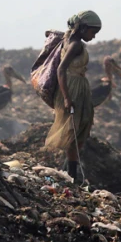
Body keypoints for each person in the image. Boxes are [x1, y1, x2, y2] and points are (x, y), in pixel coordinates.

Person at [44, 10, 102, 183]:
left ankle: (72, 174)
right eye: (93, 32)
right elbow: (61, 69)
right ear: (83, 28)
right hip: (72, 89)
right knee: (74, 131)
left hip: (76, 88)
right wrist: (68, 98)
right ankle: (72, 175)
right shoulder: (75, 45)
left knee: (77, 130)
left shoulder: (69, 39)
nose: (93, 36)